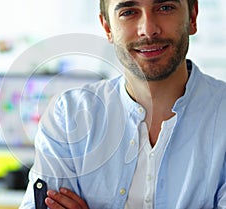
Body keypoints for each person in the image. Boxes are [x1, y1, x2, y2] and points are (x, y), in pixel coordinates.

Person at [19, 0, 226, 208]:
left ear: (192, 17)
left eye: (165, 8)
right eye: (128, 12)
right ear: (108, 28)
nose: (148, 30)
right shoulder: (68, 115)